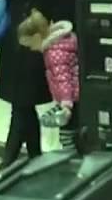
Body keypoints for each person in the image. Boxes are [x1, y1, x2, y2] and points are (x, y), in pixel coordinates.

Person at [0, 0, 72, 167]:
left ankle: (9, 159)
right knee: (21, 104)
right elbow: (2, 6)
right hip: (13, 46)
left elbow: (63, 16)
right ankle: (35, 155)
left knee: (23, 103)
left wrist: (51, 41)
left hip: (38, 48)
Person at [17, 9, 79, 149]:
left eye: (30, 45)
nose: (32, 49)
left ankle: (72, 163)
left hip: (70, 101)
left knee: (67, 136)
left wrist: (66, 104)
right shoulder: (61, 44)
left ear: (37, 37)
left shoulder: (54, 53)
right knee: (73, 133)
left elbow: (63, 78)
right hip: (72, 98)